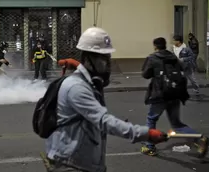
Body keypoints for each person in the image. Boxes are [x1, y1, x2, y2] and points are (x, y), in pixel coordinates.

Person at [45, 27, 168, 172]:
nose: (108, 62)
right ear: (89, 58)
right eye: (103, 57)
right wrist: (145, 134)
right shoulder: (77, 88)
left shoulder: (87, 81)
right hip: (71, 164)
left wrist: (78, 66)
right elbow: (103, 121)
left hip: (84, 161)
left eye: (108, 56)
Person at [141, 37, 208, 156]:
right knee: (176, 123)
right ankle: (200, 138)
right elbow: (183, 68)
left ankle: (149, 147)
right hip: (174, 93)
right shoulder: (173, 57)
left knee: (151, 119)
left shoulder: (152, 58)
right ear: (165, 45)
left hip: (160, 95)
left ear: (155, 46)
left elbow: (146, 74)